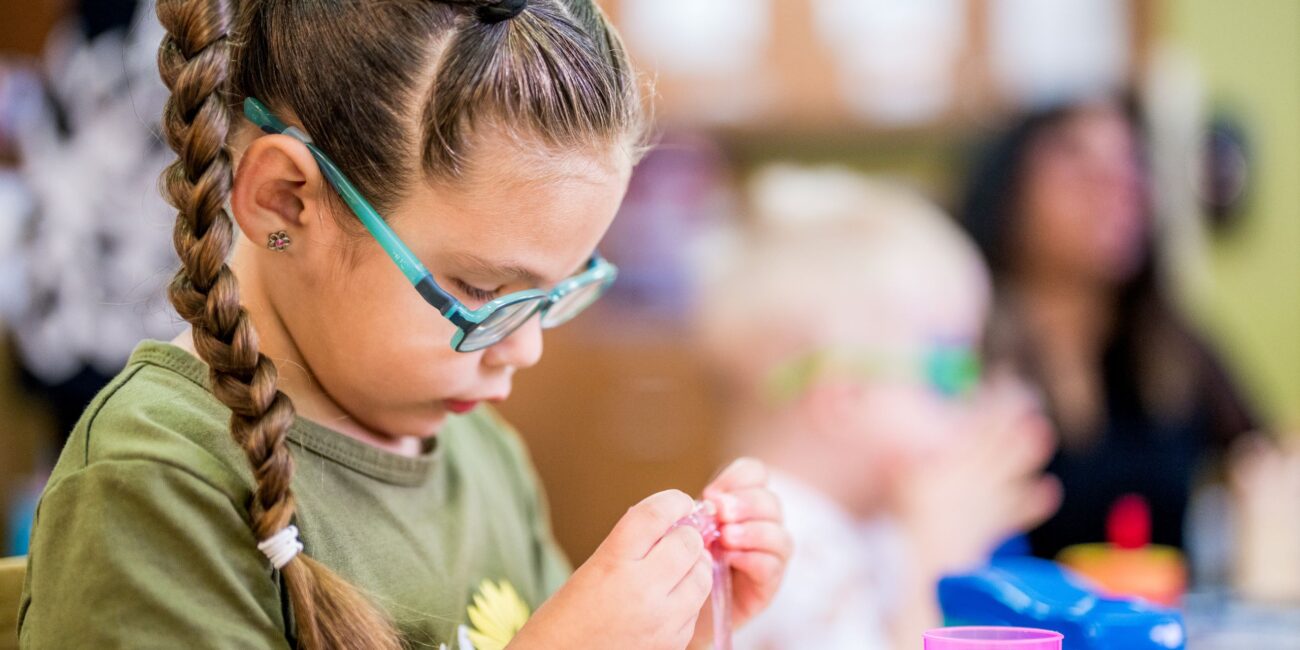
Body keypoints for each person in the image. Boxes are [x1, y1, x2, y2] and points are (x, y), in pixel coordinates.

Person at [18, 2, 790, 648]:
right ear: (286, 202)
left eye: (560, 290)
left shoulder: (480, 452)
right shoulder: (156, 484)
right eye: (483, 290)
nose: (525, 348)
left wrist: (689, 627)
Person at [696, 166, 1060, 649]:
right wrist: (938, 558)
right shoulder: (780, 554)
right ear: (842, 399)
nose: (972, 404)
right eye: (950, 377)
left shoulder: (874, 526)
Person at [960, 99, 1257, 559]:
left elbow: (1268, 458)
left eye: (1131, 160)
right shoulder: (965, 341)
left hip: (1151, 624)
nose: (1118, 182)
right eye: (1076, 158)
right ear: (1008, 190)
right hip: (1012, 629)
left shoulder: (1173, 346)